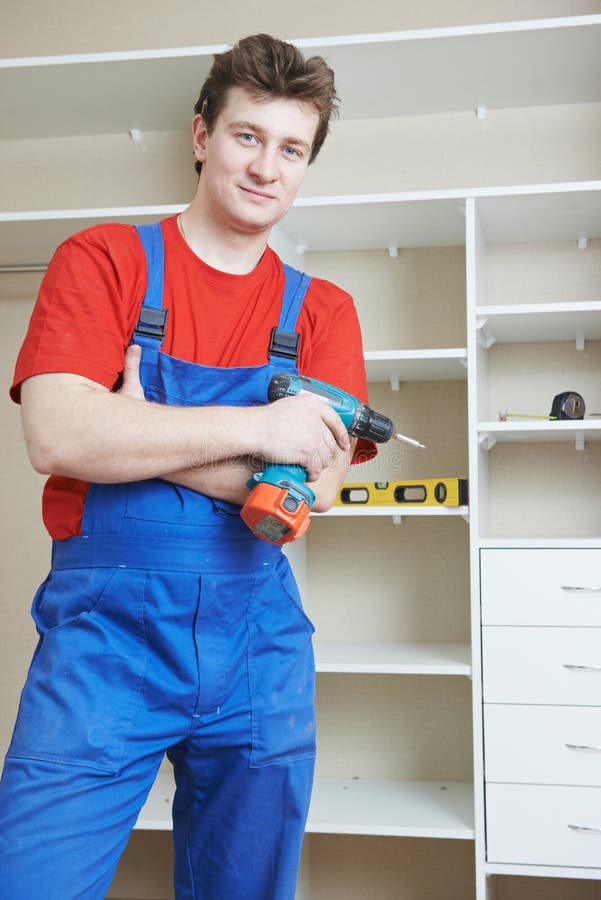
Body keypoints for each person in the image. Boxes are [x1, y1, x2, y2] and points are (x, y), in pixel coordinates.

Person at [0, 34, 373, 900]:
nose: (265, 167)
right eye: (247, 136)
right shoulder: (103, 261)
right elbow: (57, 436)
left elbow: (313, 488)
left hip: (257, 642)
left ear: (305, 166)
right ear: (202, 134)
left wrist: (137, 426)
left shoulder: (325, 311)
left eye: (290, 149)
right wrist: (263, 433)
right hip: (105, 641)